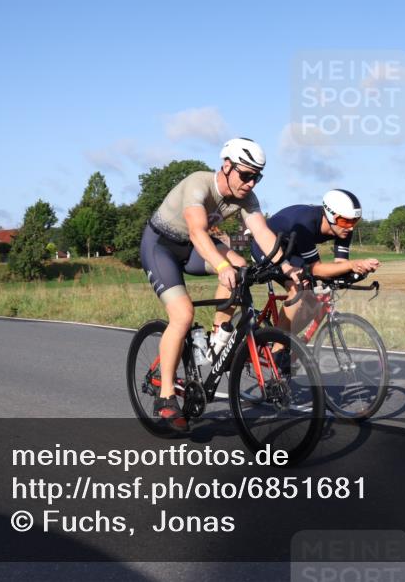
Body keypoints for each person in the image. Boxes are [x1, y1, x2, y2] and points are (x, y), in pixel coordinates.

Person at [140, 137, 298, 433]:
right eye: (246, 174)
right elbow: (198, 232)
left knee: (242, 268)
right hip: (161, 246)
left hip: (193, 248)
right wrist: (222, 265)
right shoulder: (198, 183)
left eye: (257, 176)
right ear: (227, 166)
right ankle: (165, 398)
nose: (251, 183)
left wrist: (288, 268)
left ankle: (218, 337)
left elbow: (263, 233)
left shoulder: (246, 198)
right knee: (183, 315)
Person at [250, 189, 379, 337]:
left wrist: (359, 269)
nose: (350, 227)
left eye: (355, 221)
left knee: (313, 299)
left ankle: (289, 341)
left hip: (292, 249)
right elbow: (316, 269)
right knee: (297, 289)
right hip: (266, 246)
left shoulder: (344, 228)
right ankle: (278, 349)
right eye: (345, 221)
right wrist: (351, 265)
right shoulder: (306, 223)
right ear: (331, 215)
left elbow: (340, 265)